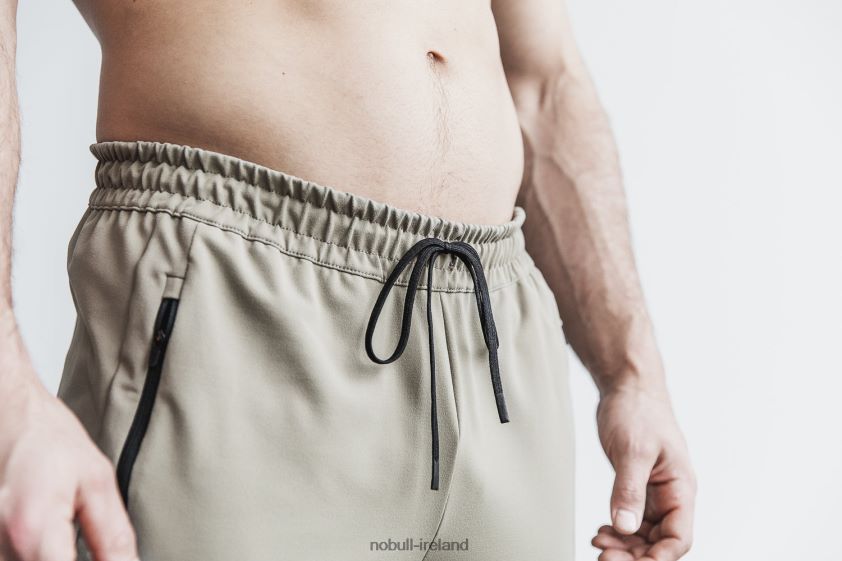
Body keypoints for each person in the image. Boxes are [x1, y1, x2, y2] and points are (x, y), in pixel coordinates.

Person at [0, 0, 696, 559]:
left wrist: (632, 374)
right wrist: (8, 399)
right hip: (237, 304)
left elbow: (543, 84)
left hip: (495, 340)